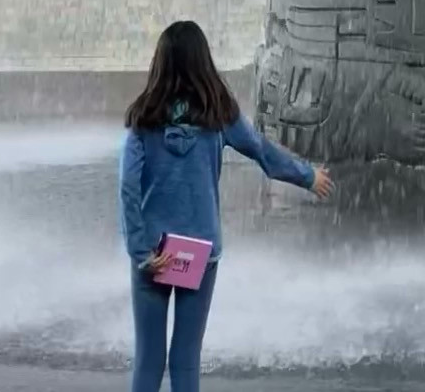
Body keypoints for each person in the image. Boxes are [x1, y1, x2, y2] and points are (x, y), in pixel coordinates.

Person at [119, 21, 332, 392]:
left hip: (153, 251)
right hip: (199, 250)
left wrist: (141, 249)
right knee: (185, 360)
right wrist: (307, 176)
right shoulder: (219, 114)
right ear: (204, 61)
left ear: (160, 63)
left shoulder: (143, 119)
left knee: (149, 359)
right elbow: (262, 152)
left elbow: (128, 188)